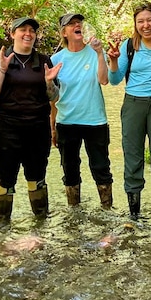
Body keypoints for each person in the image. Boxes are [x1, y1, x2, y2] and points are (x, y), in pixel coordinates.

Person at [0, 17, 62, 224]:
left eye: (32, 31)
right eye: (23, 30)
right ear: (13, 34)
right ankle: (2, 227)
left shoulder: (44, 60)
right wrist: (2, 69)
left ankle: (40, 224)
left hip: (37, 128)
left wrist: (48, 82)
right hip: (6, 129)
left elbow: (54, 97)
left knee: (37, 177)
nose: (28, 34)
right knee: (5, 177)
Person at [107, 2, 151, 223]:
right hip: (133, 105)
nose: (146, 25)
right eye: (141, 22)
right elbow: (114, 80)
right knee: (133, 158)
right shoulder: (129, 46)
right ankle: (134, 216)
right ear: (135, 25)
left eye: (149, 20)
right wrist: (114, 61)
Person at [50, 13, 113, 209]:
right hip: (67, 121)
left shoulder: (95, 53)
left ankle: (106, 210)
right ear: (64, 32)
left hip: (95, 121)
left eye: (79, 23)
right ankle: (73, 213)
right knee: (69, 170)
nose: (77, 25)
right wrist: (52, 127)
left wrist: (100, 53)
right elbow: (53, 97)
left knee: (101, 167)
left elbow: (104, 80)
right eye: (72, 24)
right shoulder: (56, 59)